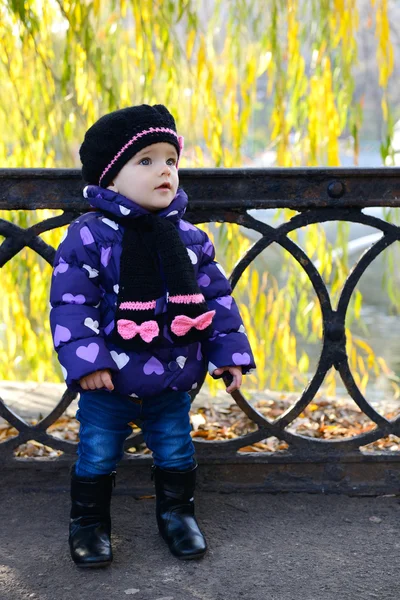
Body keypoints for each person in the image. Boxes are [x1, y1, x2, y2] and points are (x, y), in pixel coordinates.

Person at [49, 104, 256, 568]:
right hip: (109, 382)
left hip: (174, 375)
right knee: (98, 453)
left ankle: (177, 515)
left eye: (170, 159)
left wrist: (228, 354)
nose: (164, 170)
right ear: (110, 178)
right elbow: (72, 304)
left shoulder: (188, 238)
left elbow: (217, 300)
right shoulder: (88, 237)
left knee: (176, 448)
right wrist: (89, 362)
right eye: (145, 160)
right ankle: (88, 523)